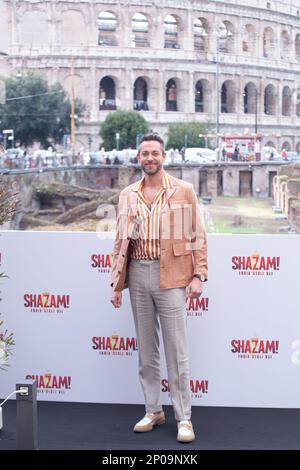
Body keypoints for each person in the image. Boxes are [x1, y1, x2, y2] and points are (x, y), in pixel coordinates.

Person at [110, 132, 208, 443]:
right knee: (146, 351)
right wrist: (116, 283)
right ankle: (153, 410)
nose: (150, 158)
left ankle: (184, 418)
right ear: (138, 158)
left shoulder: (183, 190)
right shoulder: (127, 194)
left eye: (155, 153)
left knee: (177, 351)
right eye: (144, 154)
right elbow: (119, 241)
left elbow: (198, 235)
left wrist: (199, 275)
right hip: (138, 273)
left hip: (173, 276)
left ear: (163, 157)